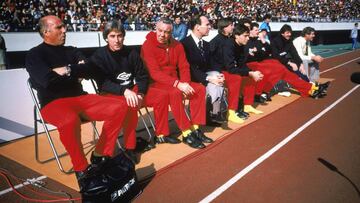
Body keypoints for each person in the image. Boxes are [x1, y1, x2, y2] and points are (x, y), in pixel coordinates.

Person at [25, 15, 130, 193]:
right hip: (54, 103)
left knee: (120, 106)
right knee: (69, 121)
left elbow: (89, 69)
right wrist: (74, 71)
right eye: (59, 27)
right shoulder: (35, 54)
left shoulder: (72, 50)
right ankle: (82, 168)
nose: (64, 30)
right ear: (46, 31)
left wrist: (66, 69)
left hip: (81, 98)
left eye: (64, 26)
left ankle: (99, 155)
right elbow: (45, 80)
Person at [141, 17, 207, 149]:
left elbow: (184, 66)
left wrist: (185, 83)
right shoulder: (147, 46)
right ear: (155, 28)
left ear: (171, 32)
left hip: (176, 82)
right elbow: (154, 73)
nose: (162, 34)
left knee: (199, 89)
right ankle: (186, 132)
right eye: (160, 30)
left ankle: (195, 127)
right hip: (156, 84)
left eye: (166, 32)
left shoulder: (177, 45)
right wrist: (178, 84)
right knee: (175, 92)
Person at [244, 22, 330, 100]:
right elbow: (261, 54)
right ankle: (310, 88)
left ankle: (310, 88)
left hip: (266, 62)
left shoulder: (258, 41)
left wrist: (262, 42)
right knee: (282, 69)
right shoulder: (247, 41)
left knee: (287, 72)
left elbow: (266, 52)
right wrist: (256, 51)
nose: (258, 32)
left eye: (258, 30)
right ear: (250, 31)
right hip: (256, 64)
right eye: (256, 30)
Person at [181, 14, 226, 126]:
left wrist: (219, 74)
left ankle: (214, 112)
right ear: (197, 27)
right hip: (189, 77)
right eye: (207, 24)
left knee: (217, 76)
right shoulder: (184, 44)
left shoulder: (205, 44)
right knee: (213, 81)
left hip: (202, 75)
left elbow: (211, 63)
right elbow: (189, 68)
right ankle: (213, 112)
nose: (210, 27)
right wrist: (208, 78)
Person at [210, 18, 257, 122]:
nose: (233, 27)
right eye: (230, 25)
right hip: (219, 70)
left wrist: (250, 72)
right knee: (236, 78)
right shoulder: (219, 41)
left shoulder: (234, 42)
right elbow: (214, 60)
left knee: (248, 74)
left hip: (227, 68)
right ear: (223, 28)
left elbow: (240, 62)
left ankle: (245, 105)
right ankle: (232, 111)